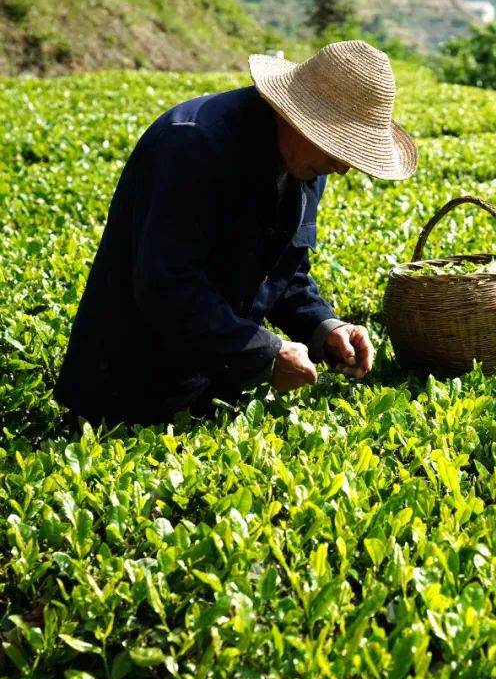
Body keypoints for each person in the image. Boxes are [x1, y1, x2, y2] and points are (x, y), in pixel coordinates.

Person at [55, 40, 418, 426]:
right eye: (339, 147)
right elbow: (167, 287)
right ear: (298, 118)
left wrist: (325, 327)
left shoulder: (307, 164)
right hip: (128, 396)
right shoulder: (192, 146)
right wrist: (267, 354)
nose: (343, 167)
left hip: (215, 396)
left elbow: (284, 272)